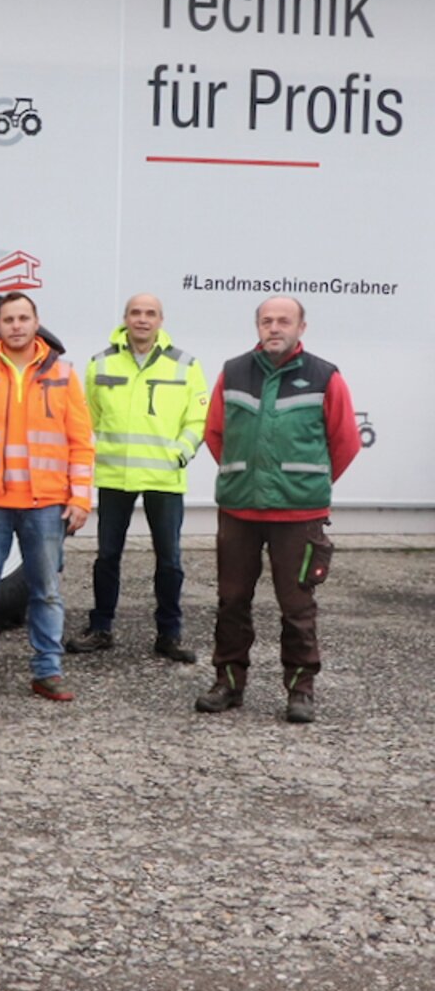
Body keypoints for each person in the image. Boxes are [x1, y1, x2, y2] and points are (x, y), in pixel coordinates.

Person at [195, 296, 358, 725]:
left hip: (297, 515)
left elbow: (344, 443)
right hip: (239, 512)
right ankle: (228, 683)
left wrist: (305, 486)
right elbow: (216, 434)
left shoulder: (326, 377)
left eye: (284, 321)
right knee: (231, 601)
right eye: (266, 321)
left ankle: (301, 690)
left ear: (301, 328)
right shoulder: (233, 372)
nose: (274, 328)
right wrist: (245, 479)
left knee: (297, 607)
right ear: (257, 326)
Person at [0, 291, 94, 701]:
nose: (17, 326)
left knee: (46, 592)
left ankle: (48, 670)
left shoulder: (63, 373)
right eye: (9, 319)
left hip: (45, 505)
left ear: (35, 321)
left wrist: (79, 499)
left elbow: (81, 442)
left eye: (23, 318)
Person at [66, 294, 209, 663]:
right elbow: (89, 418)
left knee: (170, 560)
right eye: (136, 313)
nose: (142, 319)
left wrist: (180, 453)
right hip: (115, 475)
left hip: (164, 477)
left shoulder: (186, 365)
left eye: (150, 313)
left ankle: (169, 634)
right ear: (125, 318)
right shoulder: (100, 363)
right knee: (107, 557)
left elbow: (198, 420)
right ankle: (100, 629)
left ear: (161, 320)